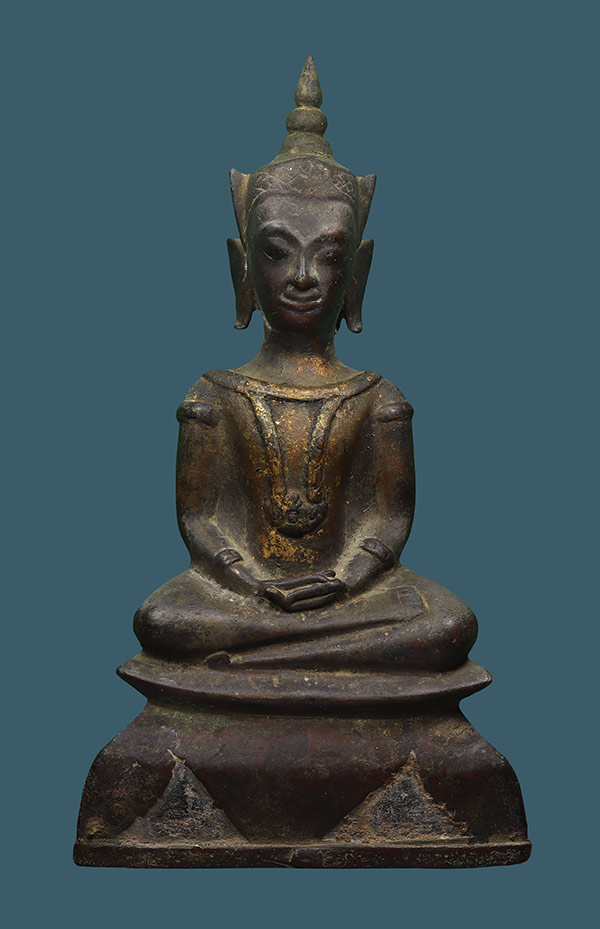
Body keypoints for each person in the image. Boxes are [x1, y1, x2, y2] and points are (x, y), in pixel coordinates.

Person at [134, 58, 477, 672]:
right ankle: (322, 653)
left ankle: (255, 661)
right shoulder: (213, 395)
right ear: (242, 266)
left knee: (449, 626)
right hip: (245, 593)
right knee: (162, 620)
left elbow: (390, 520)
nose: (302, 276)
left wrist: (344, 581)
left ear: (358, 272)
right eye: (277, 252)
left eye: (329, 255)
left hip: (351, 594)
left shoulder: (378, 398)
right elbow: (199, 519)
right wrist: (250, 583)